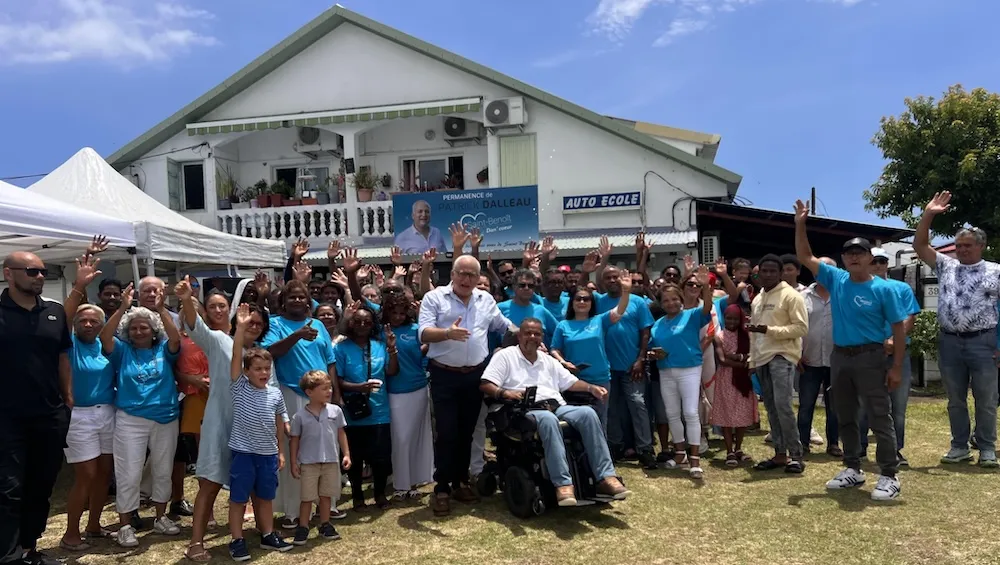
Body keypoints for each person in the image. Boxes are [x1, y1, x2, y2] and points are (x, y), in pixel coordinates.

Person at [795, 199, 908, 501]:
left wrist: (896, 367)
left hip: (871, 356)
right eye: (849, 253)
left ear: (871, 258)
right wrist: (800, 224)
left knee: (878, 415)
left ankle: (889, 474)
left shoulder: (884, 289)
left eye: (860, 253)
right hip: (840, 357)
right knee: (844, 413)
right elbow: (804, 255)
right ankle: (852, 468)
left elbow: (898, 328)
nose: (854, 257)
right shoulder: (837, 279)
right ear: (843, 259)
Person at [479, 318, 630, 506]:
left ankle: (605, 477)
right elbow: (486, 384)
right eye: (527, 333)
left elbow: (570, 382)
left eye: (536, 334)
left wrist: (591, 388)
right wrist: (505, 393)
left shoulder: (548, 360)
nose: (532, 337)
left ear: (542, 337)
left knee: (588, 414)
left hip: (555, 405)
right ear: (519, 336)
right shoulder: (505, 356)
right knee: (548, 419)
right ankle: (563, 484)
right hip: (522, 409)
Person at [418, 254, 516, 517]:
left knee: (467, 432)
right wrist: (447, 333)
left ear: (477, 277)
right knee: (446, 432)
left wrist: (527, 336)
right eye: (461, 273)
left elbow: (503, 326)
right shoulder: (435, 298)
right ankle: (442, 487)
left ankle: (461, 481)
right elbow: (423, 333)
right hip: (444, 375)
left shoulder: (485, 300)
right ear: (452, 274)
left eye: (472, 274)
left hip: (475, 377)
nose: (466, 278)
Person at [912, 191, 1000, 467]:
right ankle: (959, 446)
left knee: (986, 398)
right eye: (959, 245)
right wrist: (928, 215)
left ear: (981, 246)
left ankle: (987, 448)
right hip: (949, 341)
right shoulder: (946, 265)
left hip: (984, 341)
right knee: (955, 399)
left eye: (967, 246)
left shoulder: (995, 271)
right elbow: (920, 245)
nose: (961, 250)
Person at [0, 251, 73, 565]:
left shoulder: (54, 312)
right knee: (8, 489)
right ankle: (8, 556)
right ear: (8, 273)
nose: (40, 276)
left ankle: (29, 549)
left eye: (44, 271)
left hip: (49, 415)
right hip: (7, 417)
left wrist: (67, 399)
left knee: (41, 486)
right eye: (32, 271)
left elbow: (62, 356)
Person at [101, 283, 183, 547]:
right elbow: (105, 338)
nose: (138, 331)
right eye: (134, 328)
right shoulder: (122, 351)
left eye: (144, 327)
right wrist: (123, 308)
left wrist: (161, 309)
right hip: (131, 419)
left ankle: (160, 517)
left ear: (153, 330)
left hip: (165, 416)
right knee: (129, 472)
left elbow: (175, 340)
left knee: (162, 470)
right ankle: (125, 525)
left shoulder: (163, 350)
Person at [262, 280, 338, 528]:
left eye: (301, 297)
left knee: (325, 448)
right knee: (294, 450)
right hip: (291, 393)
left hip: (322, 395)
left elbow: (330, 361)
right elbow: (269, 353)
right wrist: (296, 335)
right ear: (283, 301)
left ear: (308, 301)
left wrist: (334, 393)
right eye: (292, 297)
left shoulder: (318, 324)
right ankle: (293, 509)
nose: (297, 300)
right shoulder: (275, 323)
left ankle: (326, 505)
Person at [58, 254, 115, 552]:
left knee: (104, 474)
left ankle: (94, 526)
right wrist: (79, 286)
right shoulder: (70, 344)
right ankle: (71, 533)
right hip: (79, 416)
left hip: (107, 413)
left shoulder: (106, 346)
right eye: (83, 320)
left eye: (94, 321)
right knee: (86, 476)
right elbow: (65, 317)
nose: (89, 324)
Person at [228, 306, 292, 560]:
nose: (263, 373)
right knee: (238, 499)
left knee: (265, 497)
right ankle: (237, 540)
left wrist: (280, 452)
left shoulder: (275, 393)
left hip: (268, 455)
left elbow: (279, 424)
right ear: (246, 371)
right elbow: (236, 355)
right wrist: (241, 328)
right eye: (258, 369)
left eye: (267, 368)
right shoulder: (239, 386)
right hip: (244, 453)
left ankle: (267, 534)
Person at [648, 267, 715, 479]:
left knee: (690, 413)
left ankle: (694, 459)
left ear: (681, 299)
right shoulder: (657, 325)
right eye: (666, 301)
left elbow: (707, 308)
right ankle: (679, 454)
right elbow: (652, 348)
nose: (671, 303)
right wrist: (653, 354)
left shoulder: (692, 315)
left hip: (690, 369)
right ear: (661, 304)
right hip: (666, 371)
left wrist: (705, 286)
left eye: (674, 299)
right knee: (672, 414)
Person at [590, 264, 657, 469]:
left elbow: (645, 332)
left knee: (638, 404)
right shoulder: (597, 302)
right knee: (612, 408)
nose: (612, 281)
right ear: (602, 281)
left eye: (615, 277)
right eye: (607, 278)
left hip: (631, 365)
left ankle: (645, 449)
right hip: (606, 367)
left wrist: (640, 358)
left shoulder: (637, 302)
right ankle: (616, 446)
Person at [748, 254, 809, 474]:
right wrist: (752, 360)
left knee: (783, 406)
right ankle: (780, 454)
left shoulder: (791, 296)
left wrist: (769, 330)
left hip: (782, 356)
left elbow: (801, 328)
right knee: (772, 408)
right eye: (764, 271)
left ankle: (796, 455)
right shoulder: (757, 299)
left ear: (781, 273)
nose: (768, 275)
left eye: (773, 271)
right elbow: (754, 333)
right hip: (762, 358)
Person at [549, 271, 632, 429]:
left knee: (601, 422)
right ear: (572, 302)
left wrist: (626, 291)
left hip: (600, 378)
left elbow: (619, 311)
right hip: (574, 381)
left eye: (586, 299)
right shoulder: (563, 325)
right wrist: (563, 362)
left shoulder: (599, 320)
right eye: (578, 299)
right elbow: (554, 349)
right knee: (576, 423)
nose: (582, 302)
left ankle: (601, 446)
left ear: (591, 303)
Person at [861, 248, 921, 466]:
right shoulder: (858, 289)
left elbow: (910, 316)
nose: (878, 265)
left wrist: (894, 340)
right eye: (874, 261)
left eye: (882, 261)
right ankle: (859, 449)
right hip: (867, 352)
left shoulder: (901, 288)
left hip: (897, 353)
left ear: (887, 264)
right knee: (864, 404)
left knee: (898, 405)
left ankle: (895, 450)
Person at [335, 301, 397, 511]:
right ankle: (358, 497)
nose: (362, 325)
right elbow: (338, 380)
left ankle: (380, 494)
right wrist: (358, 387)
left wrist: (392, 349)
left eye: (367, 322)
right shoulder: (341, 348)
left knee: (381, 457)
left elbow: (391, 371)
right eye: (358, 321)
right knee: (355, 456)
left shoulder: (379, 345)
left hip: (379, 411)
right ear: (351, 323)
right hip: (353, 412)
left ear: (372, 325)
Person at [382, 288, 434, 501]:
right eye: (393, 312)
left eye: (402, 312)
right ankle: (400, 484)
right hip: (395, 391)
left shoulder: (416, 329)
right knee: (400, 439)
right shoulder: (380, 331)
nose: (397, 316)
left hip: (419, 388)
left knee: (418, 437)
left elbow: (426, 348)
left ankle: (414, 483)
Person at [290, 370, 350, 545]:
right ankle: (303, 527)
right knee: (307, 497)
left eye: (330, 387)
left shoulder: (335, 411)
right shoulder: (299, 416)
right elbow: (294, 440)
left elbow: (341, 433)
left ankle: (325, 524)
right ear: (309, 392)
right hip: (309, 463)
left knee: (326, 495)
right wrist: (293, 462)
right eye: (324, 388)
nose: (329, 391)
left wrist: (346, 454)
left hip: (330, 461)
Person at [798, 258, 843, 458]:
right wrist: (797, 354)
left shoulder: (843, 295)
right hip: (809, 360)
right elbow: (797, 327)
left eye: (829, 269)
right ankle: (803, 443)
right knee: (806, 404)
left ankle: (833, 443)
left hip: (837, 360)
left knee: (835, 406)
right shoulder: (802, 297)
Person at [712, 304, 757, 467]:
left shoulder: (746, 335)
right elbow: (722, 360)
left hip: (743, 380)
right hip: (726, 380)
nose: (731, 322)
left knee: (742, 414)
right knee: (727, 414)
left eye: (735, 319)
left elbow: (752, 355)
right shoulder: (719, 336)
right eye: (728, 318)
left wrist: (736, 356)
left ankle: (738, 448)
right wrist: (742, 360)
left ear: (741, 320)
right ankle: (729, 450)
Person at [498, 269, 559, 347]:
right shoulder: (500, 308)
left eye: (530, 286)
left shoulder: (541, 310)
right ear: (514, 287)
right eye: (522, 285)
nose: (526, 288)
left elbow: (559, 333)